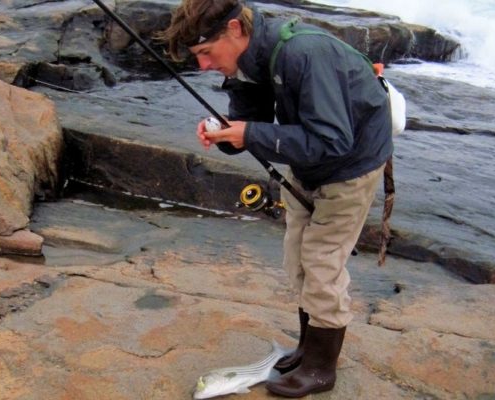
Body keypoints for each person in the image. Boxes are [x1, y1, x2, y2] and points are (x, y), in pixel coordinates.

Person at [160, 0, 393, 397]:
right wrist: (227, 133)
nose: (203, 66)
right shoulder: (247, 62)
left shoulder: (305, 53)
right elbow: (254, 121)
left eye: (204, 53)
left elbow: (331, 141)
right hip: (306, 164)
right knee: (296, 256)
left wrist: (248, 134)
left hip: (350, 168)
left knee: (322, 261)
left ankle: (321, 368)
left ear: (234, 29)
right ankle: (308, 347)